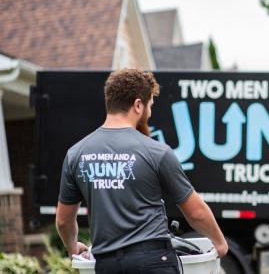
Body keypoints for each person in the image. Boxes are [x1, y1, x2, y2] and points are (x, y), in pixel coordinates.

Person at [55, 68, 228, 274]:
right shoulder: (157, 152)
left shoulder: (76, 154)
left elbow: (64, 221)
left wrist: (72, 247)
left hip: (107, 265)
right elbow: (196, 212)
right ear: (138, 105)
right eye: (150, 106)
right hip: (153, 262)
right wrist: (219, 242)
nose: (150, 112)